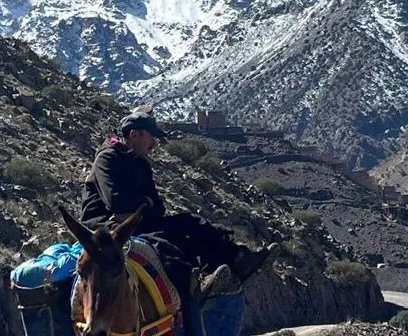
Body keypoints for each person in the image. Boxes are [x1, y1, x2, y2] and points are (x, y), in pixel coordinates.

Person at [80, 107, 274, 300]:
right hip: (106, 228)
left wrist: (142, 205)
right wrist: (144, 204)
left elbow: (158, 207)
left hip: (138, 222)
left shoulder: (141, 164)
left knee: (192, 223)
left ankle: (236, 261)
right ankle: (191, 290)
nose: (154, 143)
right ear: (134, 135)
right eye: (151, 137)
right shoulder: (107, 158)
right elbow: (117, 204)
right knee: (163, 245)